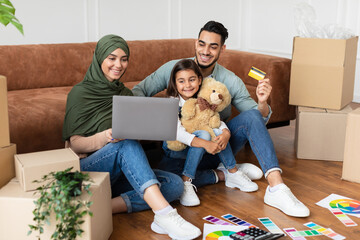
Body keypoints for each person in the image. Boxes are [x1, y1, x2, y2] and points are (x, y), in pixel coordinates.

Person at [132, 21, 310, 218]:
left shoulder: (230, 80)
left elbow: (256, 120)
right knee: (168, 181)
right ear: (195, 43)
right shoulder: (174, 69)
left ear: (222, 49)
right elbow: (139, 91)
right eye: (202, 44)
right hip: (182, 153)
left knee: (251, 116)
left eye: (213, 46)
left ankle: (277, 188)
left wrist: (261, 103)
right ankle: (226, 173)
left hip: (218, 147)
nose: (205, 51)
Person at [62, 34, 201, 240]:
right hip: (90, 170)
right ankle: (165, 214)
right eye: (112, 58)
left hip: (118, 176)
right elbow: (74, 146)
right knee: (123, 142)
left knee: (174, 185)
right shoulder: (80, 93)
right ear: (99, 58)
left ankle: (99, 208)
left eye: (124, 59)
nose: (118, 64)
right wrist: (107, 136)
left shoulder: (125, 94)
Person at [164, 59, 259, 207]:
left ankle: (232, 171)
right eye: (181, 81)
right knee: (205, 134)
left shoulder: (202, 98)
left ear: (200, 80)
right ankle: (186, 181)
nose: (187, 85)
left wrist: (225, 133)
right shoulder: (172, 101)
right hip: (177, 150)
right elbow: (177, 133)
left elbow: (214, 119)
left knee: (215, 130)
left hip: (201, 150)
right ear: (175, 83)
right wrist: (206, 143)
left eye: (192, 80)